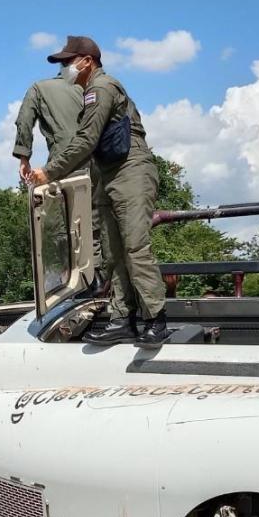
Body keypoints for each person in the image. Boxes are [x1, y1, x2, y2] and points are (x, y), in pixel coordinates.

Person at [28, 36, 168, 348]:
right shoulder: (89, 93)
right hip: (107, 174)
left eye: (68, 61)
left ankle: (155, 319)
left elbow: (86, 140)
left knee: (134, 247)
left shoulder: (102, 88)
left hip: (130, 171)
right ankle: (122, 319)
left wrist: (48, 172)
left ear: (87, 61)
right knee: (111, 251)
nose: (65, 68)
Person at [12, 66, 105, 274]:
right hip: (97, 158)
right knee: (94, 221)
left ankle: (70, 279)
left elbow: (24, 120)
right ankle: (96, 275)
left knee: (62, 222)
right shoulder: (90, 87)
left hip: (64, 160)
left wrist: (24, 157)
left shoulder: (39, 88)